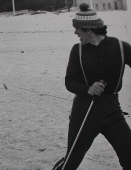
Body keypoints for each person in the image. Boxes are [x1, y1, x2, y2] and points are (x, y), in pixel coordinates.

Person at [52, 3, 131, 170]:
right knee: (71, 161)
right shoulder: (77, 51)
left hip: (112, 110)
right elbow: (69, 81)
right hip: (85, 111)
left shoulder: (120, 47)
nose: (75, 33)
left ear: (88, 29)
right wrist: (87, 89)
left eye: (77, 29)